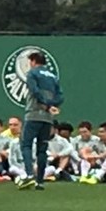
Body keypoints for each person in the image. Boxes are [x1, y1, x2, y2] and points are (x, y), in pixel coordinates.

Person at [18, 51, 64, 191]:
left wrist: (45, 104)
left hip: (33, 114)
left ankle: (29, 175)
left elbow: (34, 90)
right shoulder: (53, 76)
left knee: (26, 144)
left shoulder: (32, 74)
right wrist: (52, 105)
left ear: (33, 61)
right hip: (48, 118)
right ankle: (40, 181)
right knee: (42, 149)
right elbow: (60, 96)